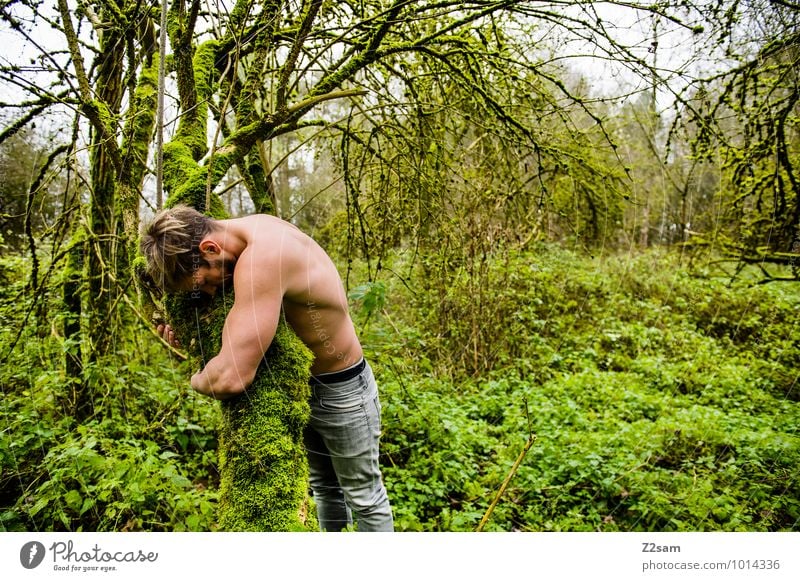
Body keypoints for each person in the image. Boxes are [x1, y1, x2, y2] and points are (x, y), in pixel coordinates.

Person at [139, 204, 394, 532]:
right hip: (301, 387)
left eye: (202, 282)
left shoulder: (264, 257)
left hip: (343, 389)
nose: (208, 293)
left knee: (365, 498)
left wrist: (196, 378)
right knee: (327, 491)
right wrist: (186, 326)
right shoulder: (245, 232)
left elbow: (231, 377)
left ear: (210, 248)